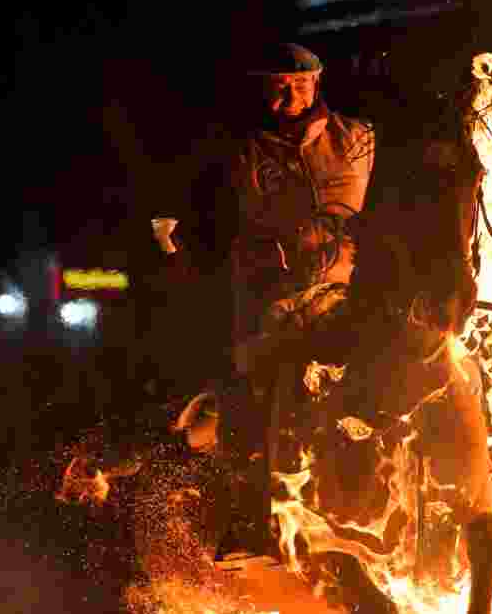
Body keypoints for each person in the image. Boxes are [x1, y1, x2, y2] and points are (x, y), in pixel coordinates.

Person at [149, 42, 375, 560]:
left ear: (317, 83)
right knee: (251, 396)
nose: (289, 95)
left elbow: (385, 204)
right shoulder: (236, 149)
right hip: (266, 294)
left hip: (348, 288)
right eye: (276, 86)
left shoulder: (358, 138)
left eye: (299, 84)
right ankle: (254, 518)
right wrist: (171, 239)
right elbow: (194, 209)